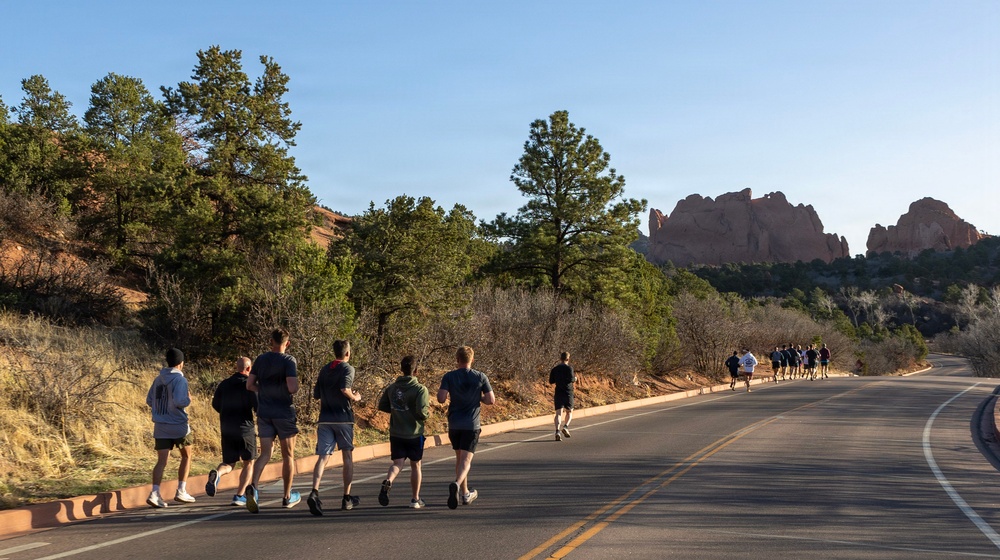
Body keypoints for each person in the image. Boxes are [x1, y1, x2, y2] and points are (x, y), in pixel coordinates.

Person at [246, 328, 300, 512]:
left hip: (265, 412)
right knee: (288, 456)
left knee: (265, 454)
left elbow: (249, 384)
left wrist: (264, 390)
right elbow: (292, 388)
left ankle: (253, 488)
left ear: (271, 342)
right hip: (284, 413)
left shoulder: (261, 359)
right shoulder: (289, 360)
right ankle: (287, 496)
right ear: (288, 343)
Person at [307, 339, 362, 516]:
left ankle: (314, 492)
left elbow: (316, 394)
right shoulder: (348, 368)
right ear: (347, 353)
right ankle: (346, 497)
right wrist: (355, 398)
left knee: (323, 457)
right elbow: (344, 388)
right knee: (347, 456)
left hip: (325, 418)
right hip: (343, 419)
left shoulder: (324, 369)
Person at [437, 346, 496, 509]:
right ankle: (457, 484)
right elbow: (491, 400)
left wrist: (450, 393)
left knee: (459, 458)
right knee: (466, 460)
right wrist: (479, 398)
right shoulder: (480, 376)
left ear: (457, 359)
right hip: (471, 424)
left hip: (454, 424)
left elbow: (441, 398)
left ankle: (465, 494)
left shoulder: (449, 376)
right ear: (472, 359)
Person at [377, 355, 430, 509]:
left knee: (397, 463)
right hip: (414, 433)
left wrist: (396, 411)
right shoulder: (420, 389)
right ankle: (415, 499)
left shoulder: (392, 388)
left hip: (396, 432)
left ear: (401, 369)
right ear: (416, 370)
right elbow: (421, 410)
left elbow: (383, 405)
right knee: (416, 465)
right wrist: (424, 415)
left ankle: (389, 481)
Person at [146, 347, 195, 508]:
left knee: (161, 461)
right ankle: (181, 489)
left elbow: (149, 400)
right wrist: (189, 400)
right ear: (181, 363)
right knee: (186, 456)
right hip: (178, 424)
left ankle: (155, 492)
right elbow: (180, 401)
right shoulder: (180, 380)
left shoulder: (158, 379)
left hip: (160, 425)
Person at [207, 357, 258, 506]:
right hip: (245, 428)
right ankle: (239, 495)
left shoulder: (224, 384)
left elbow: (215, 404)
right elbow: (257, 406)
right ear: (249, 369)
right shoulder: (249, 385)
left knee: (229, 463)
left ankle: (218, 474)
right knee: (248, 462)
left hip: (227, 428)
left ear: (237, 367)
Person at [549, 352, 576, 441]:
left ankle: (557, 431)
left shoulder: (555, 369)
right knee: (569, 412)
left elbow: (551, 381)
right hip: (568, 392)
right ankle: (565, 426)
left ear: (560, 359)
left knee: (558, 413)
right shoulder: (569, 368)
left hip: (559, 392)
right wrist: (575, 379)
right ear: (568, 359)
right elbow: (572, 379)